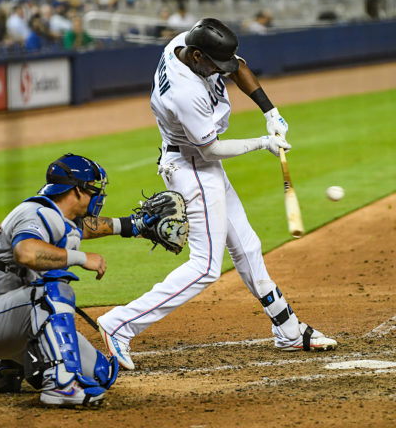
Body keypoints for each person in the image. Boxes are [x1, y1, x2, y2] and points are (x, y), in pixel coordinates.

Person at [97, 18, 338, 369]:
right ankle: (120, 324)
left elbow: (238, 67)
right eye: (213, 65)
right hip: (191, 166)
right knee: (206, 266)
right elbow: (210, 150)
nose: (221, 71)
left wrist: (271, 111)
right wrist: (262, 142)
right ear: (196, 56)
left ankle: (287, 328)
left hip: (199, 163)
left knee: (247, 246)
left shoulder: (189, 44)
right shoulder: (184, 91)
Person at [0, 153, 161, 405]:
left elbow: (88, 228)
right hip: (2, 316)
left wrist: (132, 225)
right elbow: (25, 252)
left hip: (12, 322)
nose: (97, 195)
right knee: (51, 291)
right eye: (93, 188)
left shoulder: (60, 219)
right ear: (76, 190)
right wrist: (81, 258)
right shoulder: (35, 213)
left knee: (100, 374)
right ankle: (60, 385)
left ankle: (10, 366)